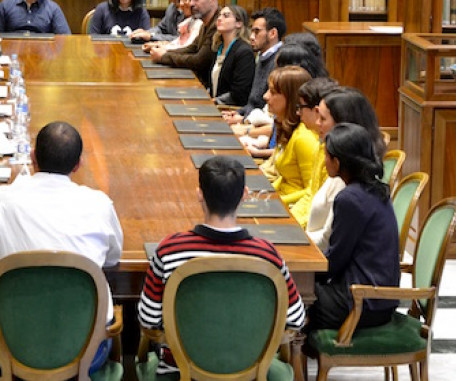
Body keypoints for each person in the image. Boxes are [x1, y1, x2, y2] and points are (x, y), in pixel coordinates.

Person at [137, 156, 306, 375]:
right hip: (252, 373)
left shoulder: (169, 250)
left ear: (200, 194)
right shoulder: (268, 256)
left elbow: (148, 319)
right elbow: (297, 318)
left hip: (179, 372)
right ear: (245, 195)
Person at [0, 121, 123, 374]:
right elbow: (112, 258)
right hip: (87, 353)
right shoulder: (99, 204)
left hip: (7, 350)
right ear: (78, 165)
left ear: (33, 157)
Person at [307, 123, 399, 334]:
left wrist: (301, 276)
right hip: (377, 297)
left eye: (326, 156)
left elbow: (335, 260)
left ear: (337, 162)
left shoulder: (350, 199)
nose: (324, 161)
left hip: (361, 301)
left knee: (287, 297)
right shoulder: (374, 188)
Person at [295, 87, 386, 248]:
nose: (317, 123)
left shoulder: (348, 181)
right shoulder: (341, 169)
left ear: (343, 125)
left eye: (322, 119)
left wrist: (291, 239)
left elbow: (328, 242)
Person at [260, 66, 320, 212]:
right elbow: (284, 178)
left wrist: (275, 200)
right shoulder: (287, 128)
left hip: (293, 210)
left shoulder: (304, 138)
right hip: (280, 200)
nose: (265, 96)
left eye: (273, 92)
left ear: (290, 98)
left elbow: (313, 191)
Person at [149, 0, 219, 85]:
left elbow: (199, 61)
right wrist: (164, 51)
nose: (191, 4)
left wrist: (164, 57)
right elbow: (192, 48)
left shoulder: (218, 24)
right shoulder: (205, 22)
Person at [223, 7, 286, 123]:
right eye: (251, 31)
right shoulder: (262, 56)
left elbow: (270, 110)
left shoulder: (281, 61)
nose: (251, 37)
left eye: (257, 32)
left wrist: (243, 119)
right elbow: (252, 103)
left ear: (272, 33)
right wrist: (239, 112)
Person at [210, 4, 255, 107]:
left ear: (239, 23)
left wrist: (215, 101)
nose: (220, 19)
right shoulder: (217, 47)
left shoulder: (244, 52)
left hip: (232, 110)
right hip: (216, 106)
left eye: (226, 16)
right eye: (219, 15)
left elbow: (240, 93)